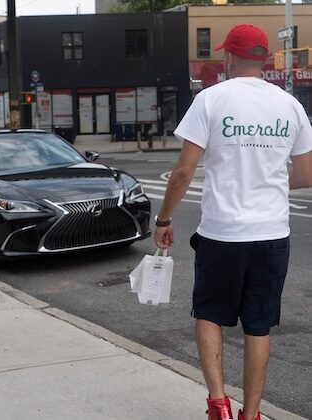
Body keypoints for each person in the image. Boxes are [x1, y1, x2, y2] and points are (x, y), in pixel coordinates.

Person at [154, 24, 312, 420]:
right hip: (272, 233)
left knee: (209, 313)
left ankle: (218, 405)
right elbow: (306, 175)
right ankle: (253, 413)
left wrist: (164, 218)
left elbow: (183, 173)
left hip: (222, 232)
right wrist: (267, 183)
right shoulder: (290, 106)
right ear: (264, 59)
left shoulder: (211, 99)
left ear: (229, 58)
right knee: (258, 325)